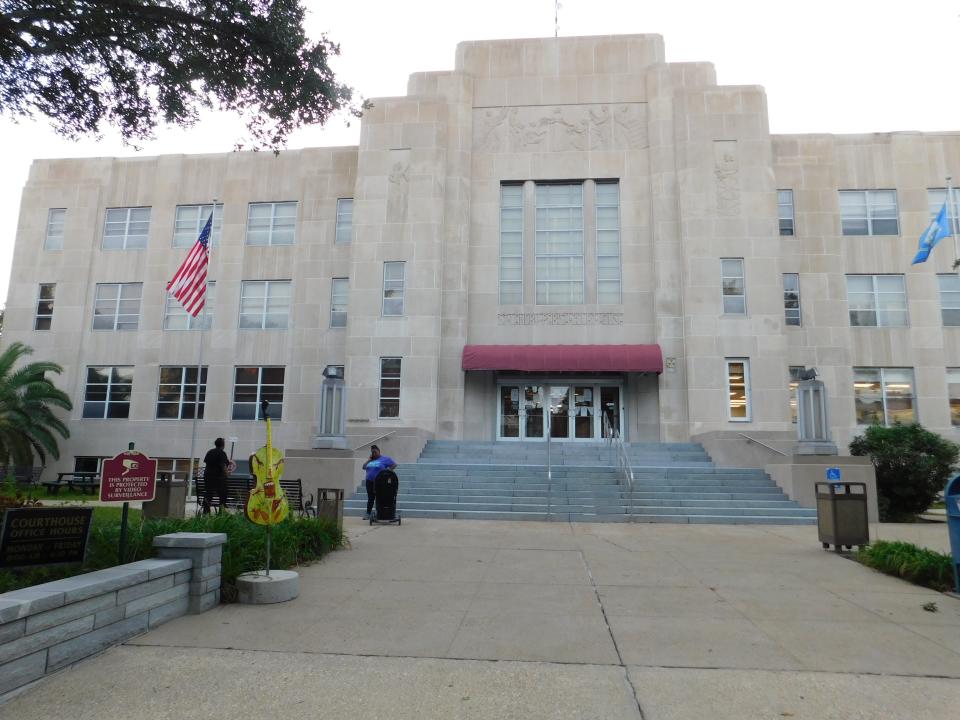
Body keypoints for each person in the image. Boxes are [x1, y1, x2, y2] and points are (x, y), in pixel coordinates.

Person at [361, 444, 396, 519]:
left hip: (380, 482)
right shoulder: (371, 460)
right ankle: (368, 513)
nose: (374, 453)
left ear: (379, 451)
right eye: (372, 452)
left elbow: (394, 465)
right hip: (369, 481)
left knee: (379, 497)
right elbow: (363, 467)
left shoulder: (385, 459)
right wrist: (369, 460)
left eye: (375, 452)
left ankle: (379, 513)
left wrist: (387, 471)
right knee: (370, 498)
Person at [202, 437, 230, 514]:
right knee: (223, 494)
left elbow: (208, 463)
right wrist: (227, 474)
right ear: (223, 445)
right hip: (218, 478)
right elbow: (223, 465)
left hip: (208, 477)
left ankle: (206, 512)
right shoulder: (222, 453)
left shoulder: (210, 452)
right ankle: (221, 513)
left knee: (208, 494)